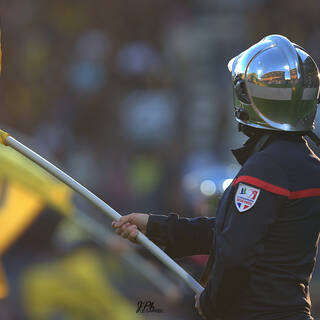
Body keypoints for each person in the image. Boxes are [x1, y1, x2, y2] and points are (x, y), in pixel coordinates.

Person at [112, 34, 320, 320]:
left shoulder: (266, 168)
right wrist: (156, 227)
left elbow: (235, 254)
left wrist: (212, 303)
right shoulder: (309, 164)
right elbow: (233, 231)